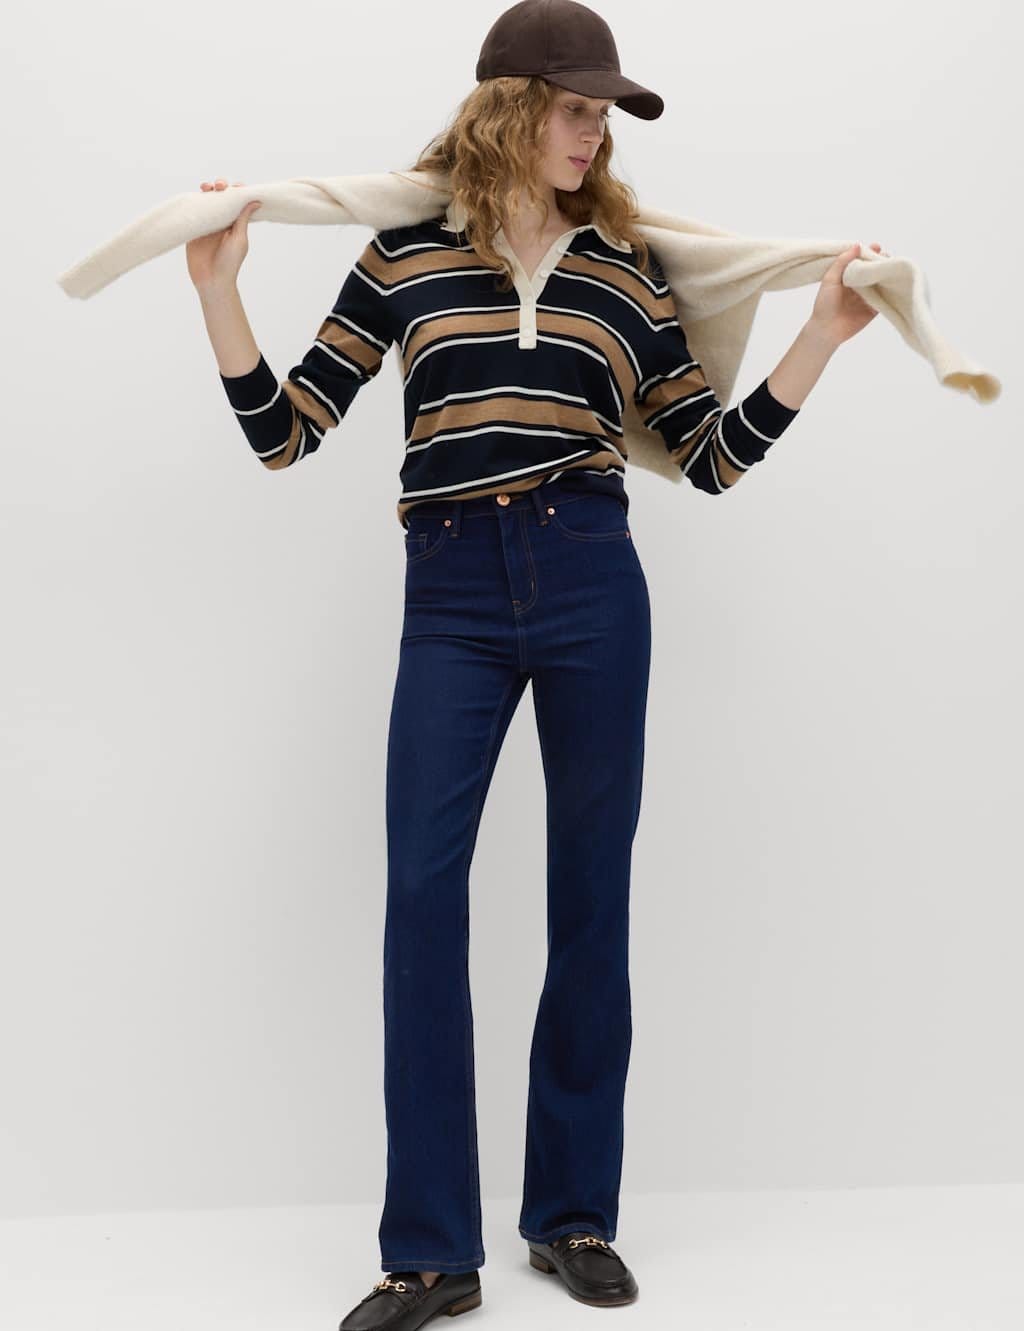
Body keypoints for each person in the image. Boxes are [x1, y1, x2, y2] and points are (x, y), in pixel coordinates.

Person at [188, 3, 884, 1326]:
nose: (593, 133)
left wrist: (821, 337)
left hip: (589, 580)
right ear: (510, 107)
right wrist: (219, 293)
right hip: (449, 586)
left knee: (590, 898)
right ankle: (429, 1252)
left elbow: (711, 458)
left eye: (603, 114)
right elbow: (288, 432)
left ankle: (570, 1216)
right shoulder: (405, 255)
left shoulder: (627, 267)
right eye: (575, 108)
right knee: (419, 894)